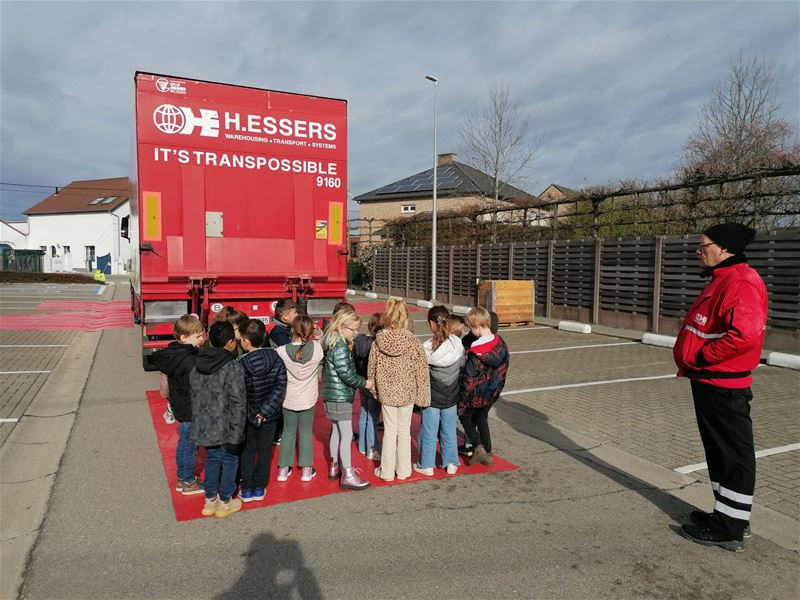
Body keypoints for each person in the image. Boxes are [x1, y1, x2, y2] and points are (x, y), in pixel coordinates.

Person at [673, 223, 767, 552]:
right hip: (709, 379)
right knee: (719, 452)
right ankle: (726, 514)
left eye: (704, 246)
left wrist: (702, 356)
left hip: (723, 382)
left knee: (734, 454)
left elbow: (746, 334)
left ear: (724, 249)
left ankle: (731, 529)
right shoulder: (723, 278)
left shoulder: (741, 282)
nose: (699, 252)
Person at [368, 297, 430, 482]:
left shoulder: (377, 342)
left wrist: (376, 391)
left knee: (389, 432)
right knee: (404, 431)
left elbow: (371, 370)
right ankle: (403, 470)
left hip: (387, 392)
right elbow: (422, 371)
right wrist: (423, 395)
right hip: (407, 392)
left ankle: (386, 471)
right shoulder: (413, 342)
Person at [190, 320, 247, 518]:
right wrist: (237, 432)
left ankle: (210, 501)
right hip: (227, 425)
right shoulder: (232, 366)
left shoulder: (197, 363)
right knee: (230, 460)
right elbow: (238, 402)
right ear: (230, 343)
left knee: (212, 459)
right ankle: (225, 501)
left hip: (204, 424)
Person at [145, 314, 204, 494]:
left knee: (183, 443)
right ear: (184, 337)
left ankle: (181, 478)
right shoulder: (191, 360)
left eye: (201, 334)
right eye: (197, 335)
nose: (201, 339)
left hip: (179, 406)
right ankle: (188, 481)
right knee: (190, 445)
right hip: (191, 408)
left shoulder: (172, 354)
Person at [321, 310, 373, 490]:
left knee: (336, 431)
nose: (356, 333)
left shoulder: (332, 342)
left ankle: (335, 466)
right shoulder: (341, 347)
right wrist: (365, 382)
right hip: (340, 395)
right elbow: (347, 375)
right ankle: (348, 474)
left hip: (331, 394)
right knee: (347, 434)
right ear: (341, 327)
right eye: (353, 330)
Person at [238, 319, 287, 503]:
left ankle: (247, 487)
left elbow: (240, 392)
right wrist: (265, 411)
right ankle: (260, 487)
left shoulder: (241, 363)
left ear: (245, 341)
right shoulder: (276, 359)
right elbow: (280, 386)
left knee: (248, 449)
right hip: (271, 414)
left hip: (249, 415)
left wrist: (252, 413)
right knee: (265, 450)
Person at [415, 306, 464, 476]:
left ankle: (427, 465)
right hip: (451, 395)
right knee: (449, 429)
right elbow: (462, 367)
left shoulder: (426, 348)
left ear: (431, 323)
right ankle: (451, 462)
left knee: (429, 431)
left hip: (432, 397)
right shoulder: (458, 345)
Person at [275, 315, 324, 482]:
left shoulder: (281, 351)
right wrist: (318, 336)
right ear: (311, 331)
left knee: (288, 433)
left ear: (292, 330)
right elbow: (319, 344)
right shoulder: (317, 349)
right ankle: (306, 470)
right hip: (308, 398)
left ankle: (283, 469)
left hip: (289, 398)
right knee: (305, 433)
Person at [459, 306, 509, 467]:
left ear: (476, 327)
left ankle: (478, 447)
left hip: (476, 394)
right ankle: (488, 450)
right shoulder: (500, 343)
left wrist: (462, 399)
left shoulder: (475, 352)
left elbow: (470, 379)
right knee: (481, 418)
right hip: (492, 391)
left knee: (465, 416)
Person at [353, 313, 383, 460]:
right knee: (373, 417)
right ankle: (372, 448)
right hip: (373, 383)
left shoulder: (359, 340)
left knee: (364, 414)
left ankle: (363, 446)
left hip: (362, 381)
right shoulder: (377, 344)